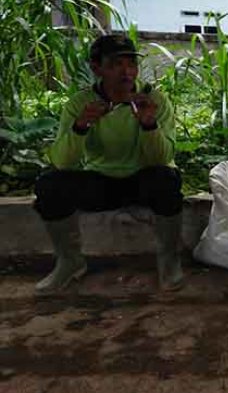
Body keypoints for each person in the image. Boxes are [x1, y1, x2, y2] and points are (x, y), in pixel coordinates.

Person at [33, 34, 184, 293]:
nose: (126, 72)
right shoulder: (81, 103)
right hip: (102, 182)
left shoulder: (154, 100)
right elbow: (61, 161)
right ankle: (70, 262)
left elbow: (161, 158)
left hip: (143, 181)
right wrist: (81, 126)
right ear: (96, 68)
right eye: (116, 64)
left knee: (167, 180)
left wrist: (149, 124)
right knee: (48, 185)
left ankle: (169, 261)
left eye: (131, 64)